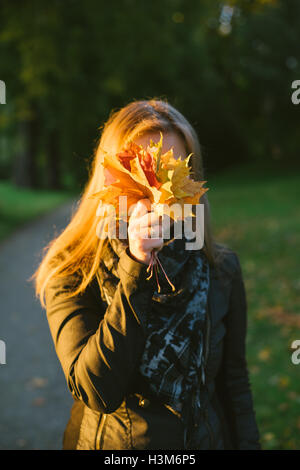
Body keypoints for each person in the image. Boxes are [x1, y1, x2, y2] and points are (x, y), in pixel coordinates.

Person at [32, 99, 261, 450]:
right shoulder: (73, 269)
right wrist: (136, 266)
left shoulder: (220, 268)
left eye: (170, 172)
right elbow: (96, 390)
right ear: (109, 179)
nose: (156, 195)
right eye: (140, 173)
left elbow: (234, 383)